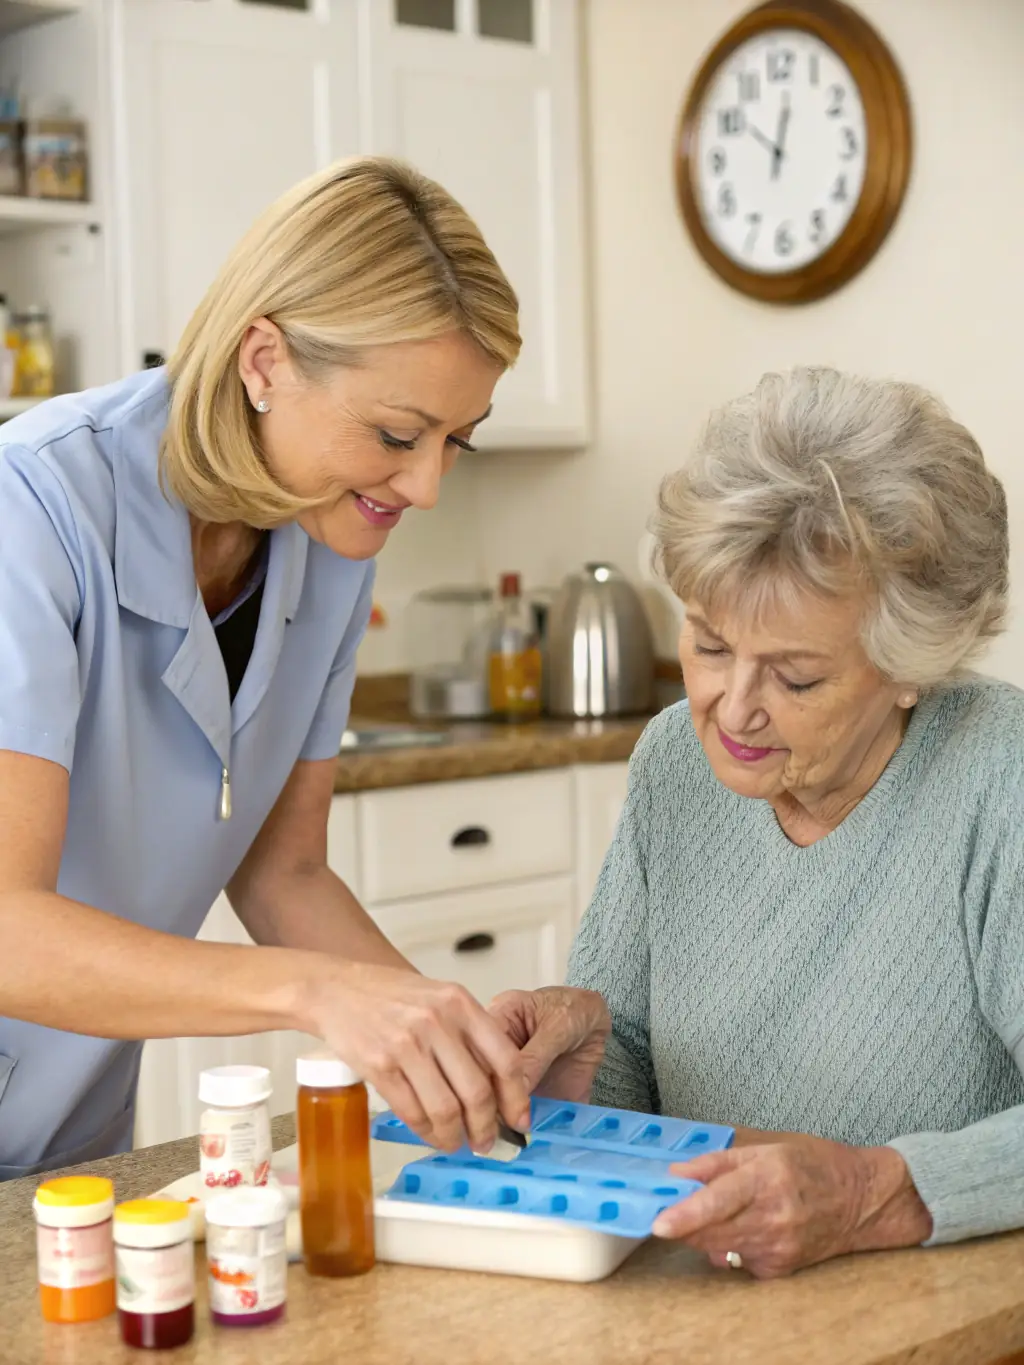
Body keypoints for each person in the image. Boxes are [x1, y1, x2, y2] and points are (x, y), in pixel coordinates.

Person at [0, 155, 544, 1179]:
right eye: (396, 434)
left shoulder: (328, 539)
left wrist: (454, 1053)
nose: (424, 485)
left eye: (454, 443)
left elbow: (281, 867)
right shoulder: (31, 510)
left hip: (66, 1150)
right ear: (263, 361)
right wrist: (312, 993)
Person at [491, 367, 1024, 1279]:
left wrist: (868, 1192)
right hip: (711, 1296)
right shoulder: (674, 760)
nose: (731, 710)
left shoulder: (998, 773)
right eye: (707, 644)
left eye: (797, 677)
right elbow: (631, 1063)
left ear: (912, 667)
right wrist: (572, 1065)